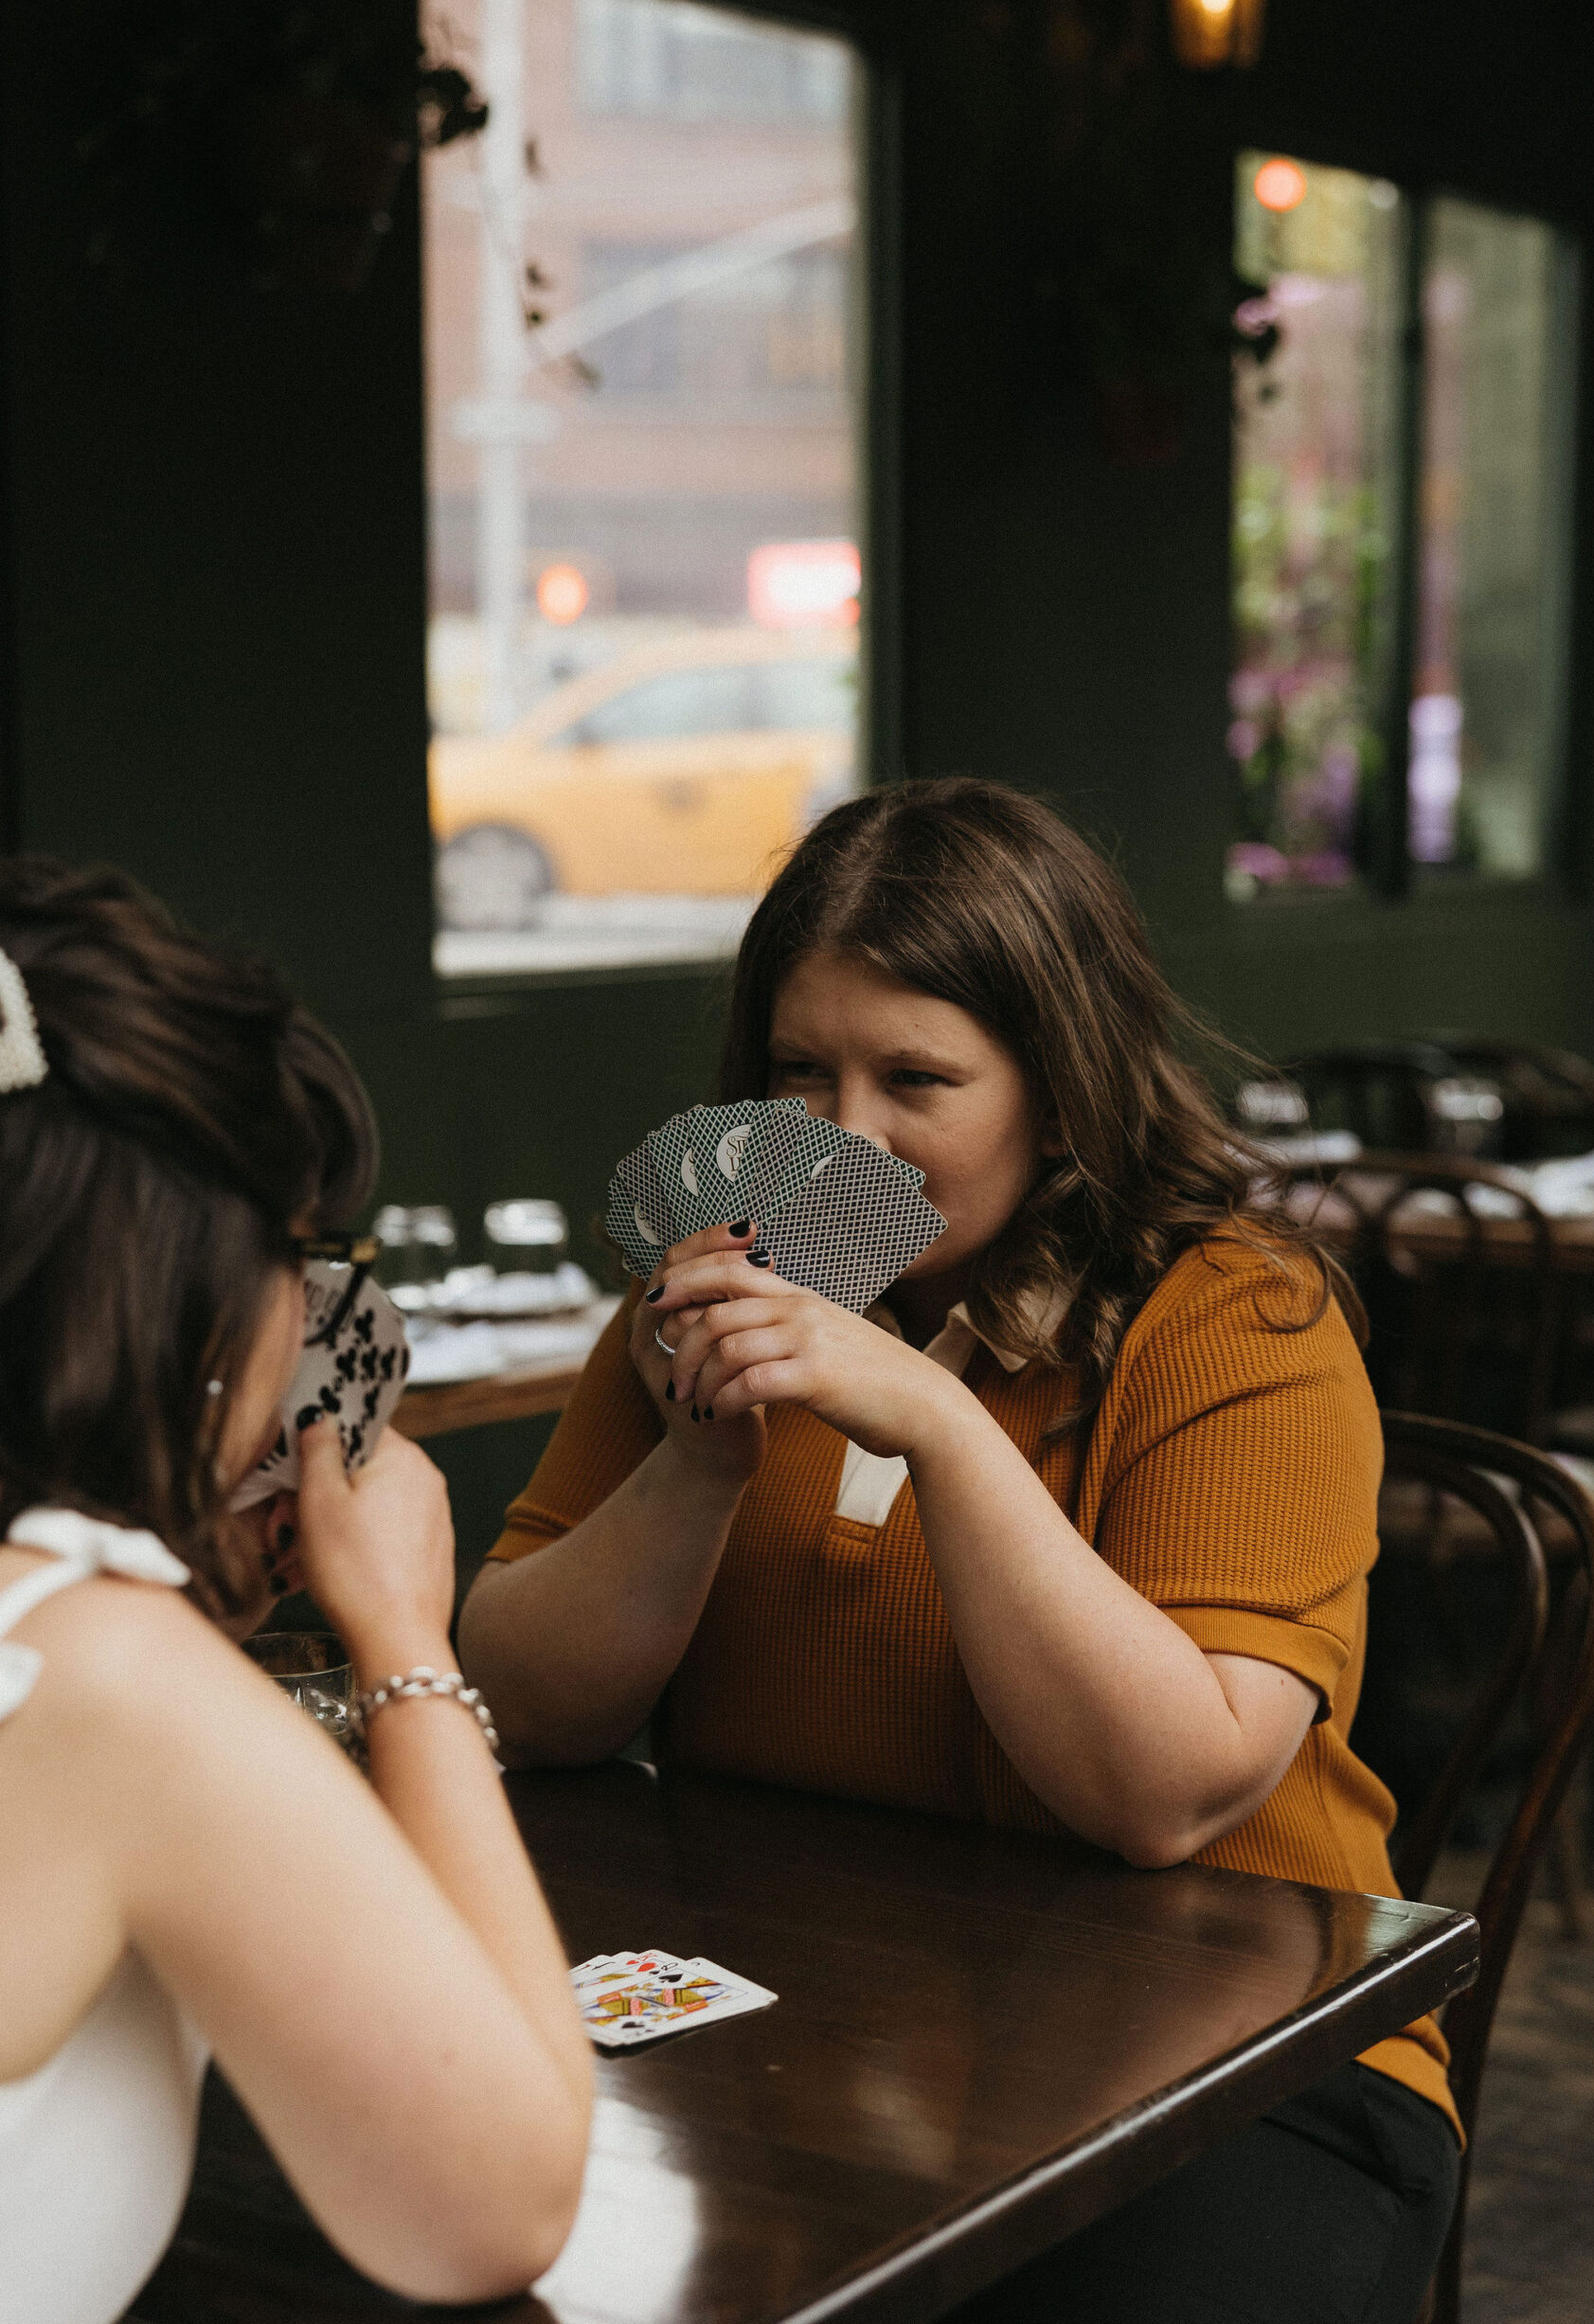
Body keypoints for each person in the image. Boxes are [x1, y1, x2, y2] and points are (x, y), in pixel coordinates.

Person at [461, 778, 1461, 2324]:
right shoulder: (702, 1297)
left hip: (1245, 2060)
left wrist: (932, 1416)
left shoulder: (1240, 1314)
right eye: (801, 1070)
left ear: (1058, 1095)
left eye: (917, 1079)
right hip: (816, 2022)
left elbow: (1166, 1794)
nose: (842, 1139)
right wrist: (696, 1467)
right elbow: (523, 1705)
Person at [0, 858, 592, 2324]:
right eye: (286, 1248)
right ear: (183, 1286)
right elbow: (496, 2207)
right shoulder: (106, 1676)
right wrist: (404, 1639)